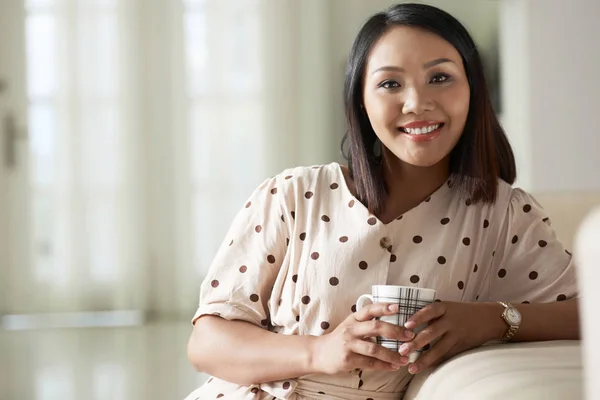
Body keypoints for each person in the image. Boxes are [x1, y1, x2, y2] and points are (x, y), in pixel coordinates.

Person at [184, 3, 580, 399]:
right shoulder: (292, 195)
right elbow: (207, 342)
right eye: (390, 84)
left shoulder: (503, 214)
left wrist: (494, 320)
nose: (416, 103)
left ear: (473, 91)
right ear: (361, 100)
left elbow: (583, 311)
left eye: (440, 77)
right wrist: (320, 351)